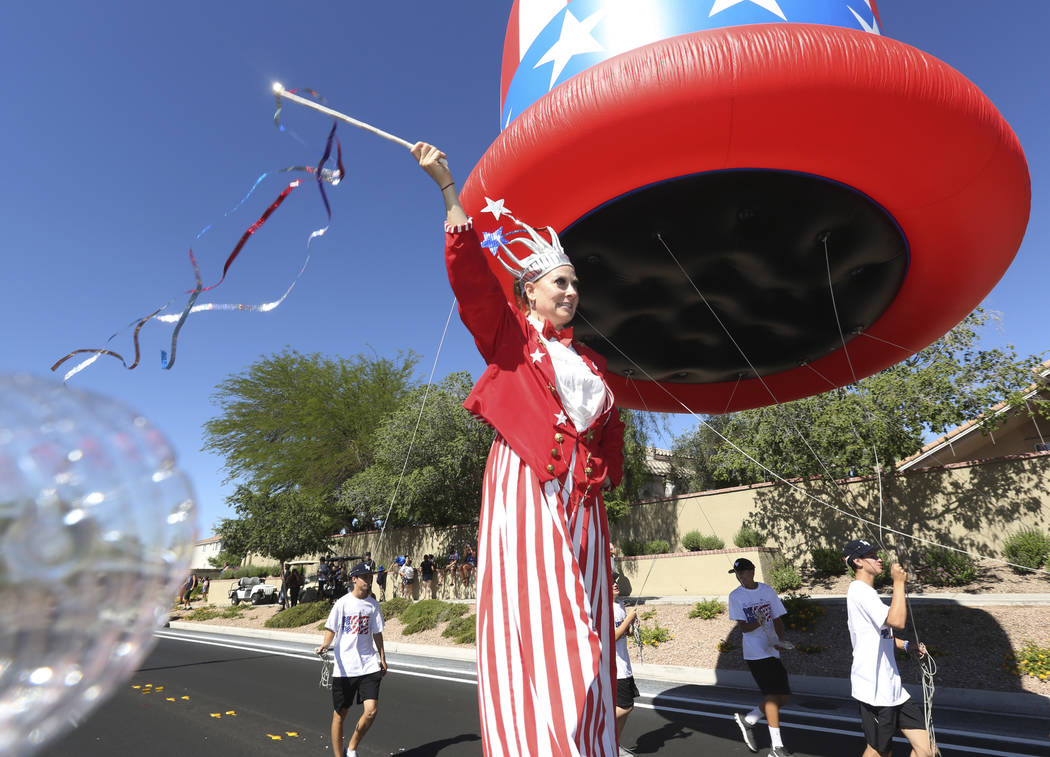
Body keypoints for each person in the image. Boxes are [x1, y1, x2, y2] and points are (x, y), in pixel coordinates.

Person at [415, 142, 626, 756]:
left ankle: (589, 743)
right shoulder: (512, 339)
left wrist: (602, 478)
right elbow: (473, 285)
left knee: (591, 622)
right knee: (554, 628)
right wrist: (450, 192)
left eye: (575, 283)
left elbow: (609, 433)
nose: (571, 292)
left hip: (585, 505)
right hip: (528, 484)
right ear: (530, 291)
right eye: (560, 282)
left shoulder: (590, 362)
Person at [843, 540, 932, 757]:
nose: (879, 558)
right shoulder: (859, 591)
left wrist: (908, 646)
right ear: (858, 561)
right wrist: (899, 583)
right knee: (879, 752)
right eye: (872, 555)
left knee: (927, 750)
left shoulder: (869, 594)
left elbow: (885, 635)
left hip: (893, 688)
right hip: (874, 689)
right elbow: (897, 621)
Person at [315, 562, 387, 757]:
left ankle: (352, 748)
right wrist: (325, 644)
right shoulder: (343, 603)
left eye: (370, 575)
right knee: (340, 714)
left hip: (369, 663)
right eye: (364, 576)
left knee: (371, 711)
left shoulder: (373, 604)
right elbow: (331, 628)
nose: (369, 579)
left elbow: (377, 632)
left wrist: (382, 657)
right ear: (354, 579)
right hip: (345, 666)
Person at [728, 557, 794, 756]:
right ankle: (777, 747)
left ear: (752, 571)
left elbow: (778, 619)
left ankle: (748, 720)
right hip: (755, 653)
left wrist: (779, 640)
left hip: (771, 649)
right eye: (738, 573)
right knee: (773, 697)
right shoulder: (735, 596)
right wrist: (758, 620)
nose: (740, 577)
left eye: (744, 572)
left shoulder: (766, 591)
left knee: (784, 698)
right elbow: (745, 628)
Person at [612, 581, 639, 757]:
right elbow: (612, 636)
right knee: (625, 706)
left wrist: (631, 627)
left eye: (616, 580)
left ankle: (613, 744)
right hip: (615, 666)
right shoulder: (605, 607)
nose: (615, 583)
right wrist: (628, 619)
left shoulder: (620, 604)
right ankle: (599, 731)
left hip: (624, 664)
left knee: (627, 705)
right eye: (611, 580)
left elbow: (622, 632)